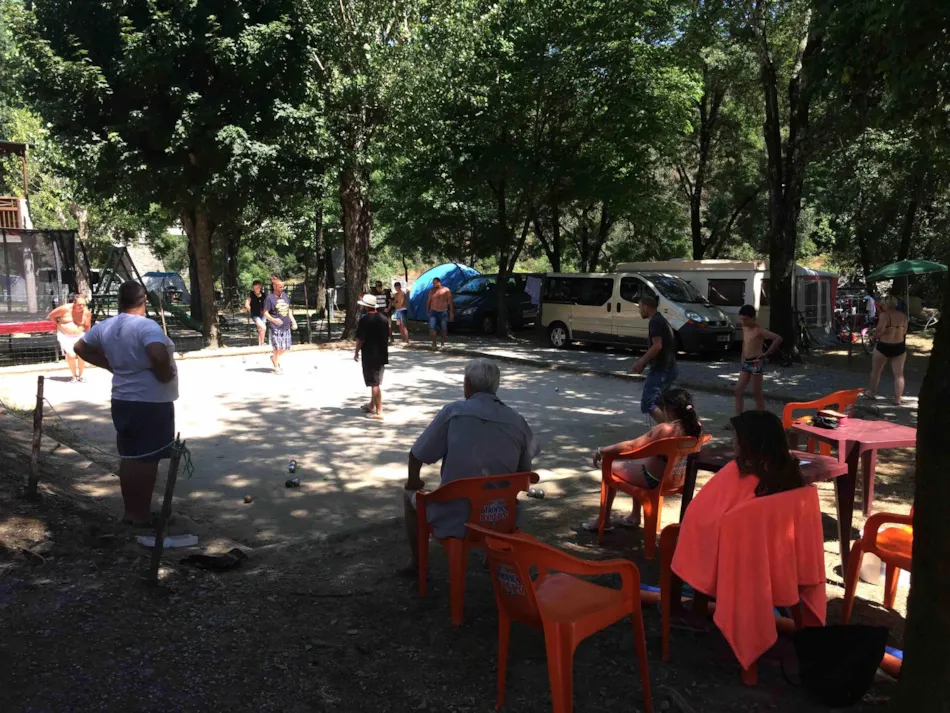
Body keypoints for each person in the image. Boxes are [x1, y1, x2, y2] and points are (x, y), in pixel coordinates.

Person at [402, 358, 535, 573]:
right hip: (500, 517)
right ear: (496, 386)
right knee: (503, 495)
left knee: (410, 496)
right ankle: (492, 553)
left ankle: (417, 562)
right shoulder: (518, 421)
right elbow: (524, 476)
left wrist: (414, 482)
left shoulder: (453, 413)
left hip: (455, 518)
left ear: (466, 384)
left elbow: (416, 456)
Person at [73, 281, 178, 526]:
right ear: (143, 301)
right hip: (150, 401)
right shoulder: (146, 326)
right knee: (147, 459)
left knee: (129, 456)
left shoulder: (106, 326)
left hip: (122, 398)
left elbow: (80, 347)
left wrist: (111, 365)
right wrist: (164, 375)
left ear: (120, 302)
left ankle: (132, 511)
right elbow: (157, 353)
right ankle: (141, 515)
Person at [583, 389, 703, 531]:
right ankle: (634, 516)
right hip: (679, 479)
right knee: (638, 463)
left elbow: (631, 445)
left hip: (653, 479)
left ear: (668, 409)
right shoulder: (697, 427)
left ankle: (603, 520)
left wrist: (601, 451)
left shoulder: (665, 429)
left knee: (610, 464)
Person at [630, 296, 677, 422]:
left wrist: (641, 361)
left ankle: (668, 433)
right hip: (668, 367)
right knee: (662, 402)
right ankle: (673, 430)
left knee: (649, 403)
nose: (639, 310)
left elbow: (658, 345)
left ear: (645, 306)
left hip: (662, 369)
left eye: (640, 307)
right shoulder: (660, 319)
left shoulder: (655, 322)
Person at [734, 304, 783, 414]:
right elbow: (745, 342)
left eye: (746, 319)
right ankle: (739, 419)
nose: (743, 322)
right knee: (738, 391)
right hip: (746, 362)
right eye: (742, 319)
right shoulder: (744, 327)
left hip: (756, 362)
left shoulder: (759, 330)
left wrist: (766, 353)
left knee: (756, 392)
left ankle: (762, 417)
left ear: (753, 318)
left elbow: (778, 338)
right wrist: (742, 355)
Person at [866, 294, 909, 405]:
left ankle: (871, 392)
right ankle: (897, 399)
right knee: (899, 374)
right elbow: (904, 332)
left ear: (885, 304)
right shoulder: (904, 316)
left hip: (884, 345)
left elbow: (879, 330)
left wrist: (873, 338)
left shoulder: (884, 315)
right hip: (899, 346)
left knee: (876, 371)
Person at [354, 293, 390, 419]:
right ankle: (371, 405)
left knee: (374, 383)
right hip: (381, 353)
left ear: (366, 307)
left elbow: (360, 339)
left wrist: (356, 352)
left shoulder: (365, 320)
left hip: (370, 354)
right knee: (374, 380)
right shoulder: (384, 318)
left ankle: (379, 411)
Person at [48, 293, 91, 382]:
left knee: (81, 355)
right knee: (71, 355)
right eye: (79, 304)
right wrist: (58, 324)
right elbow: (51, 315)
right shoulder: (65, 308)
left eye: (83, 304)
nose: (81, 307)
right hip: (65, 335)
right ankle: (74, 376)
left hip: (79, 335)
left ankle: (80, 375)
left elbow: (87, 326)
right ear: (74, 303)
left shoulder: (86, 312)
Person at [263, 278, 296, 374]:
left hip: (286, 326)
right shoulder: (270, 298)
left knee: (285, 347)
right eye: (280, 287)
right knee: (276, 348)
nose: (282, 288)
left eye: (283, 286)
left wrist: (293, 322)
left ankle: (273, 358)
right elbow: (265, 312)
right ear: (274, 286)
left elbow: (288, 311)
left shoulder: (285, 296)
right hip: (276, 327)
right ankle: (276, 367)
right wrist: (273, 320)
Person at [426, 277, 454, 348]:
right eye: (433, 283)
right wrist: (427, 311)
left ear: (439, 282)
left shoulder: (446, 290)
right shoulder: (431, 291)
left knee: (443, 328)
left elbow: (450, 302)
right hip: (433, 311)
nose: (434, 284)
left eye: (435, 283)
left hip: (443, 311)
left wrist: (451, 313)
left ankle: (442, 344)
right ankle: (434, 343)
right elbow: (428, 301)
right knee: (432, 327)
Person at [244, 280, 267, 347]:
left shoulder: (264, 295)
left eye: (258, 287)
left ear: (260, 287)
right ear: (253, 287)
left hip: (263, 314)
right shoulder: (251, 296)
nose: (256, 289)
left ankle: (260, 344)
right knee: (263, 327)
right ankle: (262, 343)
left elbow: (267, 303)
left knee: (260, 329)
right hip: (255, 314)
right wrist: (251, 310)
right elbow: (246, 304)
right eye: (255, 287)